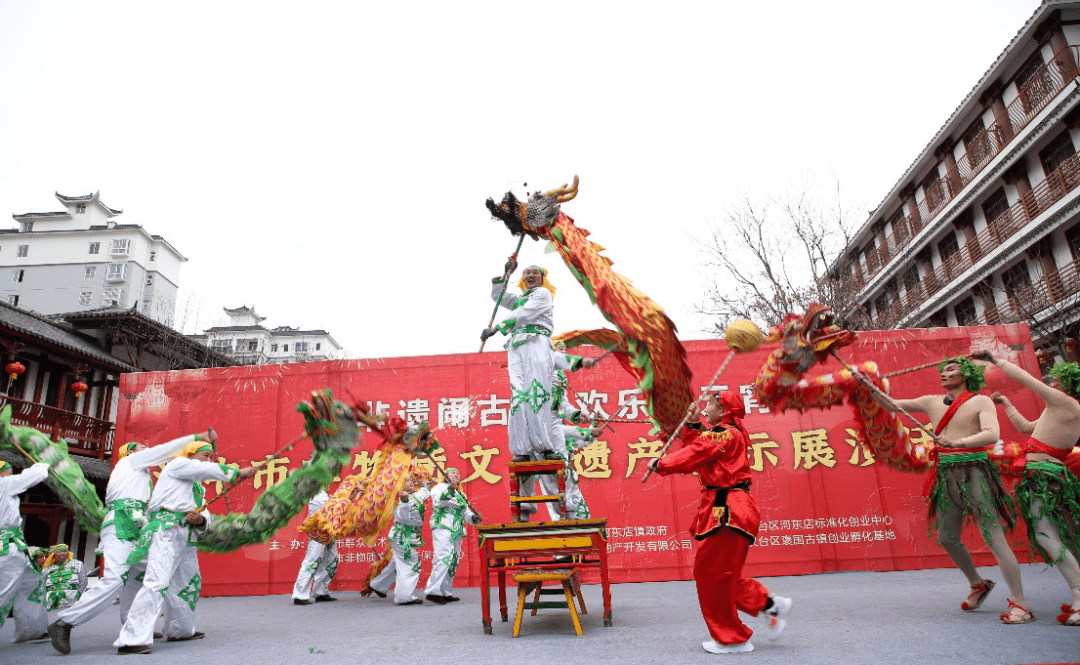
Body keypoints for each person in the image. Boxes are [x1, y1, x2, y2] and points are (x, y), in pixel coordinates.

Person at [882, 356, 1030, 623]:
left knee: (994, 537)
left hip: (976, 472)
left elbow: (991, 434)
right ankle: (977, 583)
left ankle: (1020, 604)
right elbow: (889, 404)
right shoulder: (931, 401)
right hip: (947, 475)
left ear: (967, 374)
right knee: (947, 536)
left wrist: (956, 442)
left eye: (952, 369)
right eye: (944, 369)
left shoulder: (980, 401)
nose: (945, 372)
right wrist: (868, 386)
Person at [648, 391, 791, 654]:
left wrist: (661, 463)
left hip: (727, 510)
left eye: (710, 406)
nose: (705, 410)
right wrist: (692, 425)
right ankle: (770, 605)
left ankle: (733, 638)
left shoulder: (724, 433)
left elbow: (695, 454)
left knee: (713, 576)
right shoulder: (729, 433)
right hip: (731, 509)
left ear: (723, 409)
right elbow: (699, 449)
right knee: (720, 575)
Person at [48, 430, 213, 655]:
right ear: (130, 452)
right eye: (143, 448)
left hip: (140, 529)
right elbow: (161, 452)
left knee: (147, 576)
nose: (147, 451)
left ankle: (134, 626)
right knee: (116, 578)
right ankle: (65, 622)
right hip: (120, 525)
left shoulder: (144, 478)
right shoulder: (129, 463)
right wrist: (193, 440)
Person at [112, 441, 254, 655]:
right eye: (205, 455)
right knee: (157, 581)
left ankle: (181, 629)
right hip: (166, 530)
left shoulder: (197, 486)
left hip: (186, 535)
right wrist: (236, 472)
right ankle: (132, 639)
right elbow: (201, 469)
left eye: (210, 457)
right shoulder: (177, 464)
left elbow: (203, 511)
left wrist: (199, 519)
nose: (208, 460)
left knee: (188, 582)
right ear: (190, 454)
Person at [981, 352, 1080, 626]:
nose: (1052, 381)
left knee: (1047, 536)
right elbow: (1026, 427)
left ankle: (1079, 595)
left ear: (1067, 384)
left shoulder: (1064, 403)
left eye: (1057, 379)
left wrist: (994, 359)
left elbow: (1026, 379)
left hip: (1045, 478)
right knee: (1067, 537)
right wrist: (1008, 404)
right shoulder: (1061, 410)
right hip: (1048, 478)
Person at [481, 262, 596, 464]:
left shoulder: (543, 294)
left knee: (537, 394)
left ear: (542, 279)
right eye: (527, 273)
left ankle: (544, 447)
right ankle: (521, 450)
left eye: (535, 272)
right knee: (518, 397)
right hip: (516, 346)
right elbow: (498, 296)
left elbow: (525, 312)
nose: (530, 275)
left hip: (537, 343)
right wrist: (506, 272)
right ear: (523, 279)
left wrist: (498, 327)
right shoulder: (519, 299)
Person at [0, 459, 49, 643]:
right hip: (6, 549)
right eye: (9, 471)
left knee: (33, 584)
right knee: (3, 593)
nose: (11, 474)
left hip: (14, 548)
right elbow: (35, 475)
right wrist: (42, 463)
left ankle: (33, 629)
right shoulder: (4, 484)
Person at [368, 478, 430, 605]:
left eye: (411, 480)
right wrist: (406, 501)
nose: (411, 482)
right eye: (406, 481)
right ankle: (404, 596)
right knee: (411, 563)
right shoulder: (397, 499)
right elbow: (404, 518)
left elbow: (421, 495)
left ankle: (378, 585)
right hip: (402, 536)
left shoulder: (413, 495)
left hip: (408, 535)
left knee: (398, 563)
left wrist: (424, 486)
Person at [424, 468, 481, 604]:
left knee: (453, 560)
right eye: (453, 473)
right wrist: (450, 490)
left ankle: (445, 591)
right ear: (445, 476)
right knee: (443, 556)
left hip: (457, 529)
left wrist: (474, 518)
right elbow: (438, 502)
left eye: (458, 473)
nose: (456, 474)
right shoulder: (439, 487)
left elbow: (466, 513)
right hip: (443, 525)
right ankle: (433, 591)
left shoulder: (461, 494)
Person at [291, 489, 339, 605]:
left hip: (329, 531)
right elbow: (329, 507)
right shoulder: (316, 496)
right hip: (317, 532)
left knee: (332, 559)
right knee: (313, 559)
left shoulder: (325, 494)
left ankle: (320, 591)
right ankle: (300, 595)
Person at [42, 544, 86, 611]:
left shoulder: (78, 564)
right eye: (59, 551)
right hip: (51, 600)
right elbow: (42, 583)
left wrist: (79, 593)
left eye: (65, 551)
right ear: (53, 554)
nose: (62, 553)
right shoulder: (47, 568)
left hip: (71, 599)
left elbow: (83, 581)